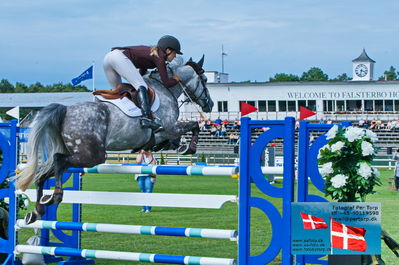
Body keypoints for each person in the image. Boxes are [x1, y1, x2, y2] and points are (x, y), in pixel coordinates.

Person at [103, 35, 183, 132]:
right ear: (168, 50)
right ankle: (146, 118)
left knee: (118, 93)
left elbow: (141, 71)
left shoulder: (153, 53)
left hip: (108, 58)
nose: (175, 56)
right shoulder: (160, 57)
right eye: (174, 53)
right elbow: (166, 83)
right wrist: (176, 79)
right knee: (141, 86)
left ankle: (116, 121)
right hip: (118, 58)